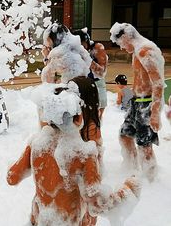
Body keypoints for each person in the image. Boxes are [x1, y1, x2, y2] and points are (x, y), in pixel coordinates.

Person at [7, 84, 140, 226]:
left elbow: (12, 178)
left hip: (40, 219)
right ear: (78, 118)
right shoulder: (84, 152)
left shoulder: (36, 144)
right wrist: (128, 190)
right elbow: (97, 205)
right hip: (68, 221)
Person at [110, 22, 165, 182]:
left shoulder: (144, 50)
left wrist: (155, 113)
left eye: (120, 42)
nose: (120, 47)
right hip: (137, 101)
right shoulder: (137, 51)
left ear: (126, 37)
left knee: (144, 144)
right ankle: (131, 170)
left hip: (147, 104)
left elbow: (158, 83)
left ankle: (151, 180)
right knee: (125, 135)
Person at [72, 28, 108, 119]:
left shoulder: (97, 48)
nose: (80, 48)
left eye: (81, 45)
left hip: (97, 83)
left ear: (86, 41)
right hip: (82, 84)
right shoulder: (73, 49)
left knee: (96, 116)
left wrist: (87, 59)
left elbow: (102, 72)